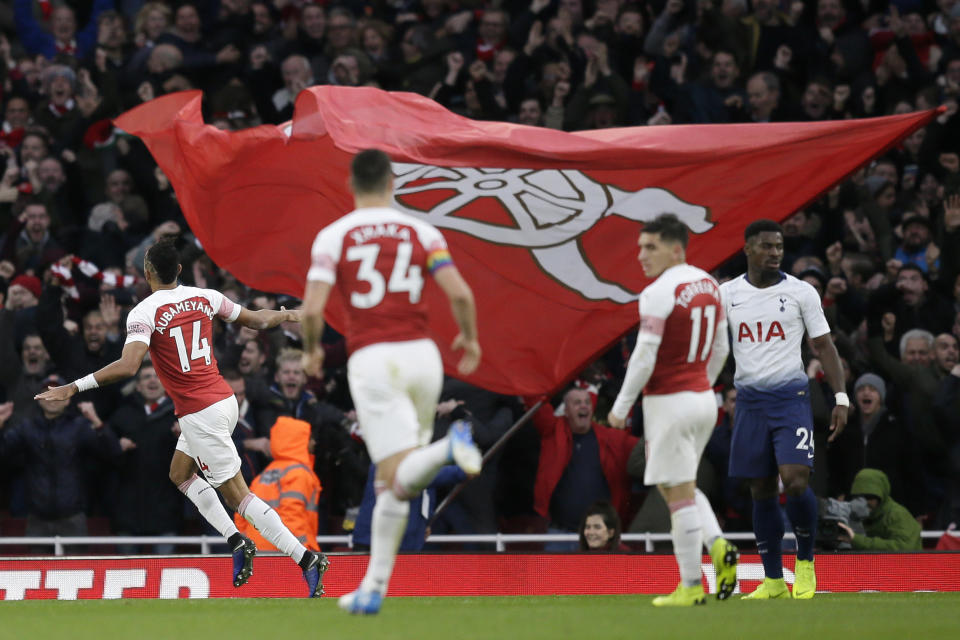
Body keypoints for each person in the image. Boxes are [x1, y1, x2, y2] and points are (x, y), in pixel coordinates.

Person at [34, 238, 329, 597]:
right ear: (178, 270)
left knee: (239, 497)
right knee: (180, 473)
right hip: (223, 401)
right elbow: (257, 320)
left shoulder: (144, 312)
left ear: (146, 272)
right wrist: (287, 315)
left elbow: (128, 366)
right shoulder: (205, 296)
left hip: (200, 412)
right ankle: (237, 541)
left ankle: (306, 559)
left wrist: (72, 387)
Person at [301, 148, 482, 615]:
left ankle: (448, 450)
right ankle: (373, 589)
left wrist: (312, 351)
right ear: (392, 182)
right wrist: (469, 338)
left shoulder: (333, 236)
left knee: (394, 473)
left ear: (351, 184)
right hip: (424, 358)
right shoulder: (423, 231)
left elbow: (313, 309)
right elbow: (460, 292)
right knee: (397, 482)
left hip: (375, 360)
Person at [607, 213, 737, 606]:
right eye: (640, 247)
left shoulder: (657, 292)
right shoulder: (710, 285)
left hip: (669, 402)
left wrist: (620, 407)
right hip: (702, 399)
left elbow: (644, 356)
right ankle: (717, 546)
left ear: (676, 248)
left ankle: (692, 586)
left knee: (677, 495)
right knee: (679, 485)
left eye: (651, 247)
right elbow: (721, 349)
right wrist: (703, 382)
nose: (641, 256)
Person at [720, 219, 848, 600]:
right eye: (766, 246)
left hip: (791, 398)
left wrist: (840, 397)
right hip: (749, 401)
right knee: (760, 488)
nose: (775, 252)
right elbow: (711, 345)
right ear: (747, 249)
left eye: (779, 246)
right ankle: (773, 579)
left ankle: (805, 563)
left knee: (794, 481)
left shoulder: (801, 293)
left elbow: (824, 346)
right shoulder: (726, 294)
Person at [234, 416, 322, 553]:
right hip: (284, 555)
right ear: (298, 441)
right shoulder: (298, 473)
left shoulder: (265, 474)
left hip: (259, 553)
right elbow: (292, 517)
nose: (314, 442)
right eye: (309, 438)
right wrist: (303, 556)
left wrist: (250, 544)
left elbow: (242, 511)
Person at [837, 468, 922, 551]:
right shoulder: (856, 517)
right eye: (858, 497)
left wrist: (857, 540)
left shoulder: (898, 515)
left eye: (869, 497)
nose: (864, 502)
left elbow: (904, 549)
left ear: (881, 496)